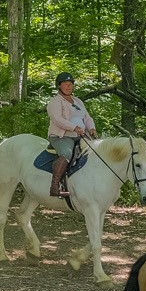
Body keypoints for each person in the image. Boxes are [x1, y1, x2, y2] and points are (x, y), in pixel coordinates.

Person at [45, 72, 97, 202]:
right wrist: (74, 128)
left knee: (95, 151)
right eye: (65, 84)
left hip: (80, 135)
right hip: (62, 136)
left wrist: (91, 128)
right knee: (67, 153)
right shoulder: (55, 102)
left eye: (70, 84)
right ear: (59, 86)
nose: (68, 87)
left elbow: (87, 117)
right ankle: (55, 186)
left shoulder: (78, 101)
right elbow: (57, 119)